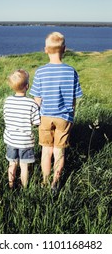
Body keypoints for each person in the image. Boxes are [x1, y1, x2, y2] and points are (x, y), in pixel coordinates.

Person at [29, 32, 83, 193]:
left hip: (45, 116)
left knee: (46, 149)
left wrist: (34, 118)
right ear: (64, 49)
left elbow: (37, 100)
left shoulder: (40, 72)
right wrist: (71, 116)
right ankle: (56, 181)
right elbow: (74, 99)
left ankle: (45, 180)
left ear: (45, 50)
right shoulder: (71, 71)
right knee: (60, 150)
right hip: (64, 117)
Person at [3, 69, 40, 188]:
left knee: (12, 164)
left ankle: (10, 184)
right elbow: (36, 122)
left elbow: (5, 117)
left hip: (11, 140)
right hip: (25, 141)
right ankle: (24, 187)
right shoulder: (31, 103)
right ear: (27, 86)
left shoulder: (7, 101)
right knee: (24, 166)